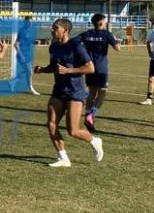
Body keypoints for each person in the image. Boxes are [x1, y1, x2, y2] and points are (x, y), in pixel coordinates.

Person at [34, 18, 104, 167]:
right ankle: (63, 158)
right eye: (52, 27)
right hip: (58, 91)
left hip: (75, 92)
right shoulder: (53, 47)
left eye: (55, 28)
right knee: (51, 124)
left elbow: (90, 68)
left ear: (65, 31)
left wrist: (68, 71)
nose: (52, 30)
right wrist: (43, 70)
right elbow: (54, 66)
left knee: (73, 130)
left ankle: (95, 140)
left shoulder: (76, 46)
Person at [75, 13, 120, 128]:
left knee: (91, 93)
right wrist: (114, 39)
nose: (106, 24)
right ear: (101, 23)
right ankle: (91, 116)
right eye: (105, 22)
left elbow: (73, 42)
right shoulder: (106, 34)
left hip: (89, 67)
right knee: (102, 93)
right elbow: (117, 48)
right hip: (101, 68)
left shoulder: (87, 33)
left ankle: (87, 115)